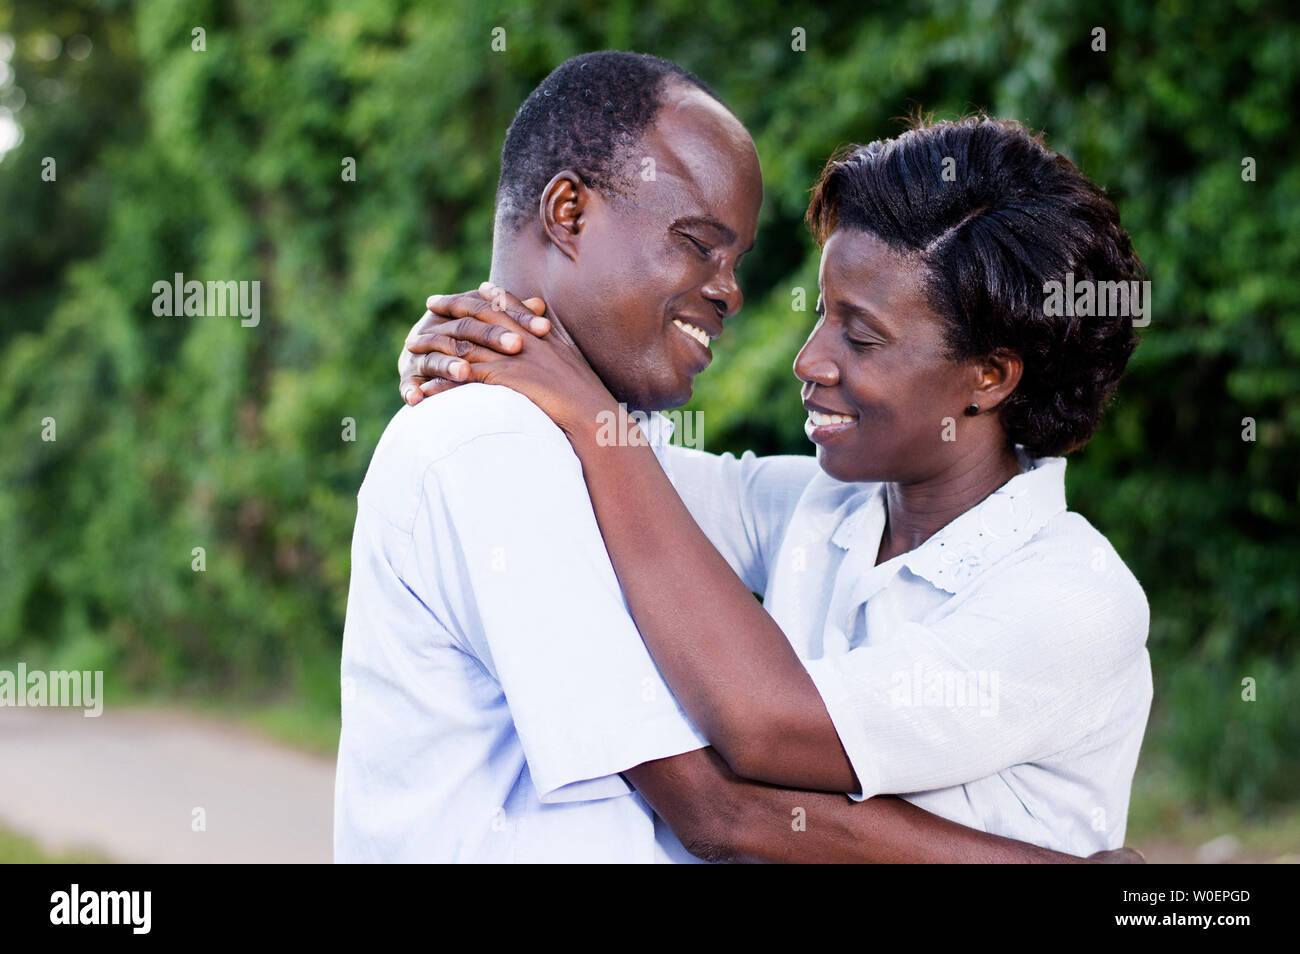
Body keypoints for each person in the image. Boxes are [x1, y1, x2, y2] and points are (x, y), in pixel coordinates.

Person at [338, 51, 1141, 863]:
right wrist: (475, 343)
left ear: (991, 377)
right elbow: (598, 464)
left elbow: (759, 743)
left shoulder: (1072, 600)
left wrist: (568, 402)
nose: (809, 361)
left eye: (860, 337)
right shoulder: (818, 510)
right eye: (821, 317)